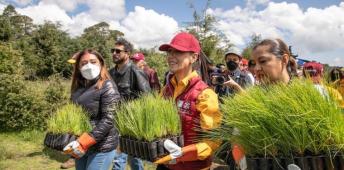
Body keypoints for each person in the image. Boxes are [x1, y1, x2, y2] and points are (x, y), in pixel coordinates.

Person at [154, 32, 222, 170]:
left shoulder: (205, 95)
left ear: (193, 57)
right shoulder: (165, 90)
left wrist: (183, 154)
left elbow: (213, 141)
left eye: (178, 51)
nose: (171, 56)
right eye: (169, 52)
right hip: (165, 164)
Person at [63, 49, 121, 170]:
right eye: (84, 63)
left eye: (93, 61)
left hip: (101, 146)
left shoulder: (107, 86)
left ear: (101, 64)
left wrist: (84, 141)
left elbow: (109, 120)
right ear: (78, 67)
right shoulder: (78, 87)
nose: (88, 66)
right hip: (81, 145)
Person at [109, 39, 150, 170]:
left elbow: (147, 98)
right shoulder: (110, 73)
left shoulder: (135, 71)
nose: (114, 53)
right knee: (133, 156)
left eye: (118, 51)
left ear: (127, 53)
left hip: (130, 122)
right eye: (113, 51)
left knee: (119, 157)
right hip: (114, 120)